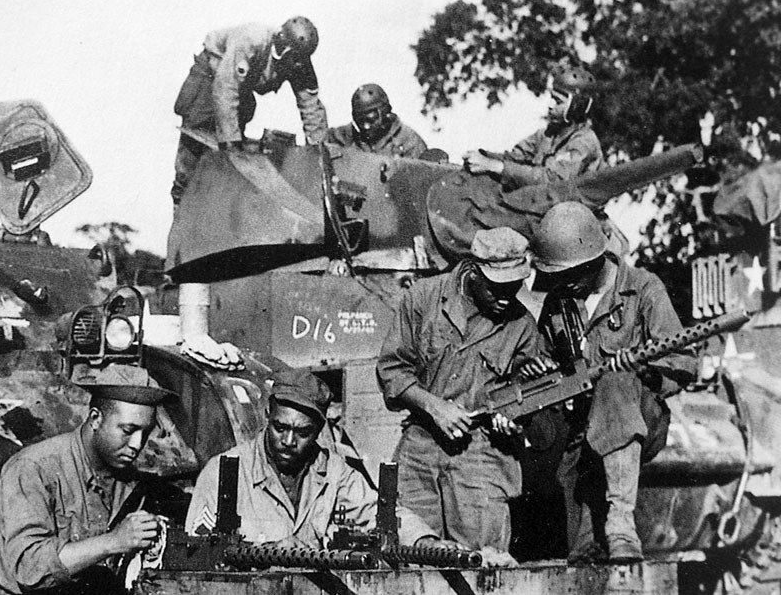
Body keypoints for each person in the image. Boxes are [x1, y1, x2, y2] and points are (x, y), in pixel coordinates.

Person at [527, 201, 696, 563]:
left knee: (616, 381)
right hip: (583, 429)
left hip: (640, 418)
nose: (562, 283)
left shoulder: (643, 288)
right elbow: (547, 361)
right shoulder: (560, 301)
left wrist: (646, 373)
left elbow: (685, 363)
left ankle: (622, 523)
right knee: (582, 553)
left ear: (593, 260)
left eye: (571, 274)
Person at [376, 227, 542, 555]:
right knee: (407, 553)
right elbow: (392, 369)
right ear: (471, 271)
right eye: (498, 286)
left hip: (480, 454)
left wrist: (513, 417)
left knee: (484, 562)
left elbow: (530, 395)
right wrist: (435, 407)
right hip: (420, 447)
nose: (508, 297)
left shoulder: (522, 327)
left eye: (516, 285)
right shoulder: (423, 298)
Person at [185, 369, 452, 552]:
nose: (289, 441)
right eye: (280, 427)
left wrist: (424, 541)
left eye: (303, 432)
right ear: (268, 414)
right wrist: (264, 553)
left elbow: (378, 513)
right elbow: (194, 552)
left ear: (319, 430)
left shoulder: (335, 472)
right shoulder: (223, 473)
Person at [0, 364, 178, 594]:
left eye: (145, 433)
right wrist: (114, 541)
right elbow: (30, 568)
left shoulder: (130, 481)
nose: (137, 445)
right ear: (95, 419)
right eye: (128, 430)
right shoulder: (33, 468)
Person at [171, 16, 329, 204]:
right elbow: (226, 87)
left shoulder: (299, 59)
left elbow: (311, 107)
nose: (295, 64)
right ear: (280, 45)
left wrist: (318, 156)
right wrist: (230, 144)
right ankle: (180, 204)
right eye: (291, 57)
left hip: (239, 89)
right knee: (195, 154)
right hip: (211, 77)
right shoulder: (252, 39)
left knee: (229, 169)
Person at [461, 64, 604, 189]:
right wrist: (484, 156)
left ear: (576, 107)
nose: (550, 105)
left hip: (569, 212)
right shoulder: (547, 134)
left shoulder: (584, 142)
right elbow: (516, 156)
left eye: (557, 101)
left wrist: (495, 166)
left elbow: (553, 180)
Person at [327, 83, 427, 158]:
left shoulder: (409, 142)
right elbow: (318, 136)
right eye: (360, 120)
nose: (365, 126)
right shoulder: (345, 137)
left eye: (370, 119)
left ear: (385, 112)